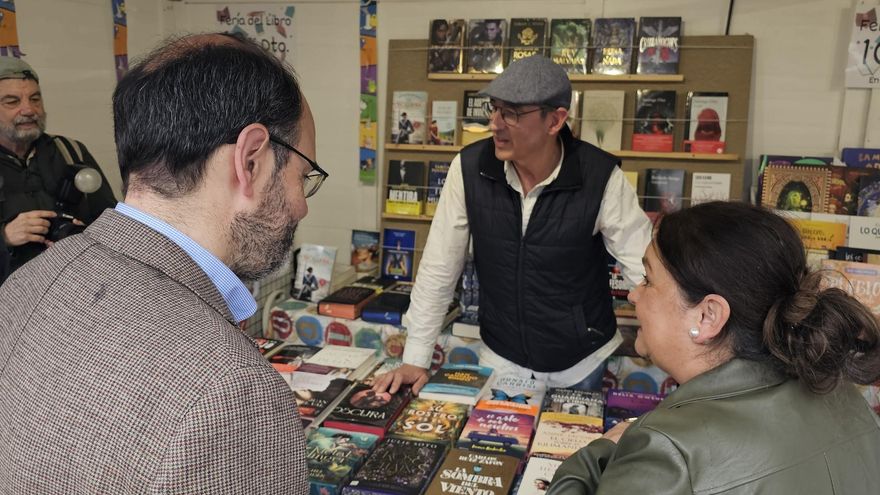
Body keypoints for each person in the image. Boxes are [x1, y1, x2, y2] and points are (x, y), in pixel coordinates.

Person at [0, 33, 328, 493]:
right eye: (303, 176)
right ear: (250, 161)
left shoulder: (26, 284)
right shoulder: (230, 391)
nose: (301, 206)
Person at [548, 201, 880, 495]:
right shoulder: (844, 396)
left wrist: (603, 449)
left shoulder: (668, 450)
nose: (634, 294)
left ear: (708, 316)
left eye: (648, 280)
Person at [373, 55, 651, 396]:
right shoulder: (469, 168)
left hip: (581, 362)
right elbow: (439, 268)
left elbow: (646, 269)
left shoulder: (601, 177)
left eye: (512, 113)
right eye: (494, 108)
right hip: (501, 357)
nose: (495, 123)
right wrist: (415, 357)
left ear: (555, 120)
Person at [0, 57, 117, 277]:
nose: (28, 110)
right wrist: (5, 236)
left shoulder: (70, 151)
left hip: (75, 287)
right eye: (12, 101)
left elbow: (110, 220)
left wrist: (83, 237)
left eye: (35, 99)